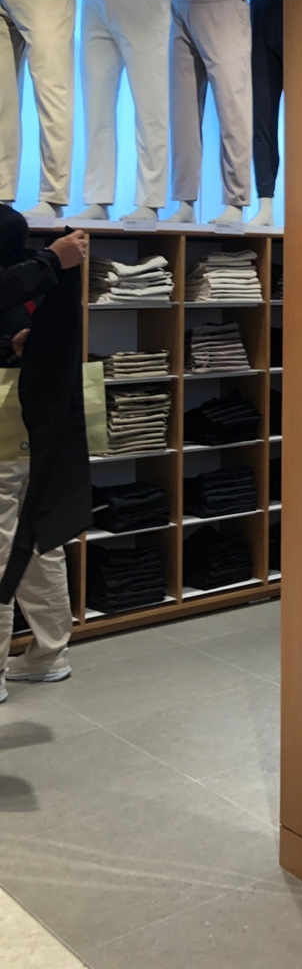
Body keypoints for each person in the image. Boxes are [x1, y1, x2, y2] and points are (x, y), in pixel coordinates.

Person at [0, 208, 88, 703]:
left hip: (8, 431)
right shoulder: (34, 275)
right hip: (35, 427)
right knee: (36, 541)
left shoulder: (28, 274)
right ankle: (49, 654)